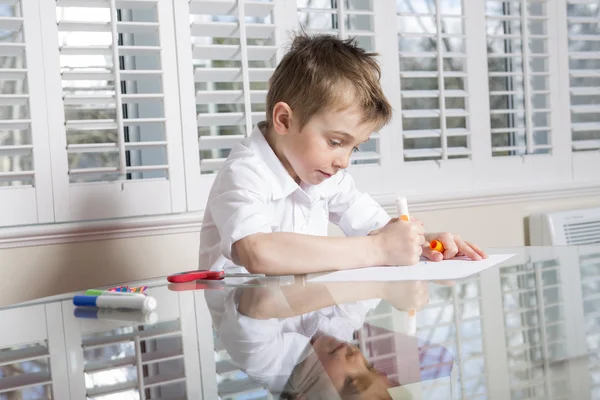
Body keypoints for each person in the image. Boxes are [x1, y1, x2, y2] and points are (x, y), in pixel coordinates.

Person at [199, 32, 487, 274]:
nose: (344, 162)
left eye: (354, 147)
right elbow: (257, 252)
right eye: (336, 142)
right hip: (246, 320)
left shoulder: (325, 174)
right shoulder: (245, 172)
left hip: (302, 323)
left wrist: (419, 243)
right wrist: (380, 247)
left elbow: (377, 231)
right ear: (284, 120)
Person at [206, 279, 454, 399]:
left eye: (352, 382)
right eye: (369, 366)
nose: (357, 356)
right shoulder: (337, 335)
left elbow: (262, 299)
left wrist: (381, 288)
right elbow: (378, 264)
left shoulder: (266, 361)